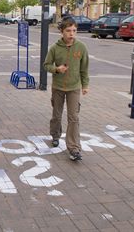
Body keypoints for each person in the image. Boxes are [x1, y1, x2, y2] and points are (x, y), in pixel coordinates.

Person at [43, 17, 90, 161]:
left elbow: (84, 68)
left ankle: (74, 148)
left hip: (74, 87)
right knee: (57, 114)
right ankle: (55, 136)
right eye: (68, 31)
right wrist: (56, 69)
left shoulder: (81, 47)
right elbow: (46, 65)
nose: (71, 34)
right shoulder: (55, 48)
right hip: (58, 87)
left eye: (74, 31)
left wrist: (85, 85)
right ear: (61, 32)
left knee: (73, 117)